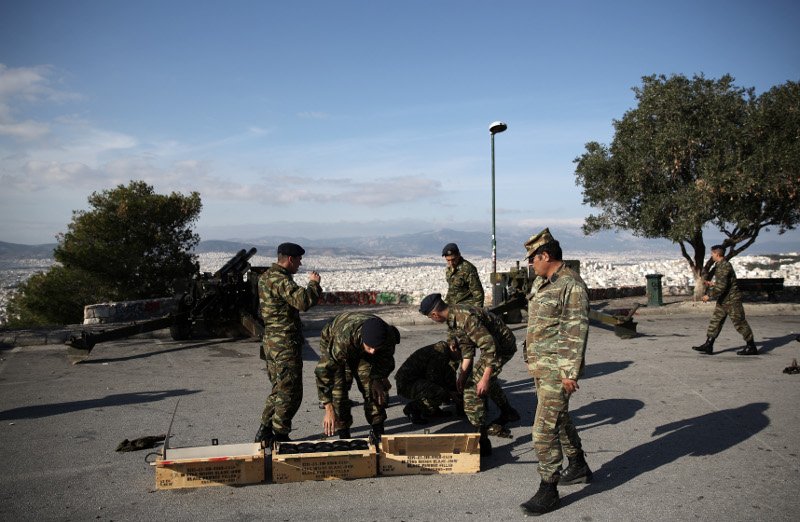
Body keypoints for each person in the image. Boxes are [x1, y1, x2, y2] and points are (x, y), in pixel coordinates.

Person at [519, 228, 591, 516]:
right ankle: (578, 465)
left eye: (532, 259)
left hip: (558, 370)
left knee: (543, 431)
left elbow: (575, 330)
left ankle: (548, 488)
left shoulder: (570, 285)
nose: (530, 264)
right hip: (542, 366)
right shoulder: (543, 282)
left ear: (545, 256)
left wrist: (569, 372)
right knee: (558, 419)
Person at [418, 293, 518, 457]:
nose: (432, 320)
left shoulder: (465, 318)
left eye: (430, 317)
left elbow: (490, 348)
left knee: (473, 389)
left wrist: (485, 378)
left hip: (501, 347)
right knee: (475, 382)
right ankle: (508, 412)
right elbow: (467, 349)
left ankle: (482, 441)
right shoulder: (453, 317)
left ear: (435, 314)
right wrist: (462, 375)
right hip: (493, 347)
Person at [255, 242, 322, 445]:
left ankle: (265, 430)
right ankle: (280, 435)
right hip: (284, 344)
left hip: (271, 342)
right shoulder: (281, 279)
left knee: (279, 388)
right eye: (299, 260)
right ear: (290, 259)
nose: (300, 264)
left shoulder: (266, 277)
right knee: (290, 392)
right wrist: (314, 284)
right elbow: (303, 301)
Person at [315, 312, 400, 440]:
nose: (373, 351)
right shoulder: (342, 341)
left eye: (376, 348)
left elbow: (385, 360)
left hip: (361, 343)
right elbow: (323, 372)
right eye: (370, 347)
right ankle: (344, 435)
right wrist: (328, 407)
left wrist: (378, 378)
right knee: (339, 391)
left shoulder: (387, 337)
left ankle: (378, 430)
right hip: (335, 339)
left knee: (371, 388)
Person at [692, 245, 758, 355]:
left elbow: (721, 287)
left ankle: (751, 346)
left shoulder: (724, 266)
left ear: (717, 254)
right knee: (716, 321)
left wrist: (709, 295)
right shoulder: (720, 265)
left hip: (732, 300)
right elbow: (724, 283)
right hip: (724, 299)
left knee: (739, 323)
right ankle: (708, 345)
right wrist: (714, 284)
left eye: (712, 253)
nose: (711, 256)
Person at [395, 341, 461, 424]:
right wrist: (450, 394)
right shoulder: (440, 353)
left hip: (416, 380)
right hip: (407, 384)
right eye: (460, 355)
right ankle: (413, 408)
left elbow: (444, 376)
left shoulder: (445, 352)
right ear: (454, 348)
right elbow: (433, 378)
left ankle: (432, 410)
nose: (460, 358)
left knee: (444, 383)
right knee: (438, 391)